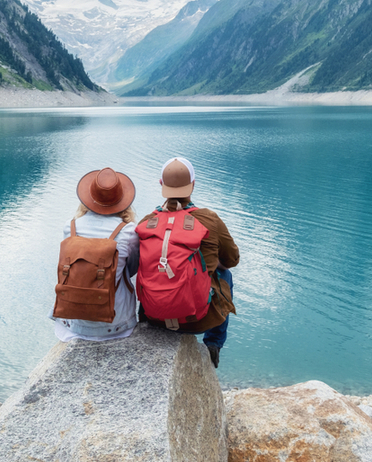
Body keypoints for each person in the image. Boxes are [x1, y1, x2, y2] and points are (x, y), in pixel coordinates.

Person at [138, 157, 239, 367]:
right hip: (197, 319)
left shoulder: (146, 223)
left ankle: (144, 324)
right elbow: (232, 260)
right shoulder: (209, 219)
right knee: (225, 275)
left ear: (161, 185)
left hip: (155, 317)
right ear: (193, 184)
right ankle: (213, 344)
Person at [51, 167, 140, 342]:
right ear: (122, 201)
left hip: (73, 323)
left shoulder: (71, 227)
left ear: (88, 199)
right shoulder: (129, 231)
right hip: (116, 325)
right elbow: (132, 269)